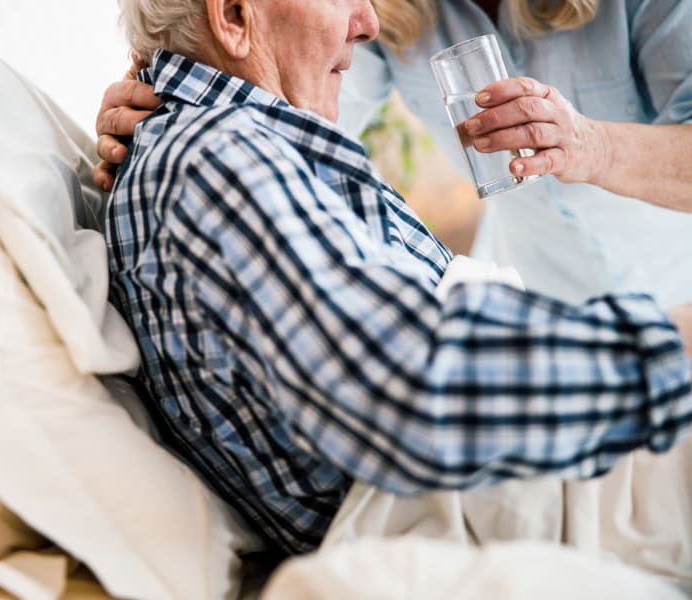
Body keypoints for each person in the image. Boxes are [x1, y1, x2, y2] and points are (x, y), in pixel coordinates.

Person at [107, 0, 692, 558]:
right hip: (544, 457)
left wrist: (591, 145)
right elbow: (409, 384)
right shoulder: (220, 155)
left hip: (605, 344)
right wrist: (671, 347)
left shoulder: (223, 147)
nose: (369, 24)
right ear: (234, 16)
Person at [95, 0, 692, 308]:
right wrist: (172, 90)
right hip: (537, 299)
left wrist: (593, 146)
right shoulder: (383, 15)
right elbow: (286, 106)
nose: (366, 23)